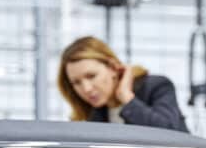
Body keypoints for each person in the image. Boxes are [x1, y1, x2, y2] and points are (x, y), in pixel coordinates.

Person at [58, 36, 188, 131]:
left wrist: (127, 98)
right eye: (76, 82)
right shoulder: (95, 113)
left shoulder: (156, 86)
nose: (86, 89)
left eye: (91, 76)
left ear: (113, 68)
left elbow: (169, 131)